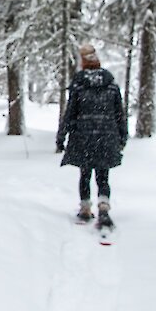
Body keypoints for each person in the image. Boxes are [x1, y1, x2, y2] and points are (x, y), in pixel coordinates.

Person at [56, 44, 127, 228]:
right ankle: (103, 206)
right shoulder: (110, 84)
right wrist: (122, 136)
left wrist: (62, 136)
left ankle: (85, 208)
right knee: (103, 176)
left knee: (85, 174)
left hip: (83, 136)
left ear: (83, 63)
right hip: (107, 136)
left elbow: (70, 113)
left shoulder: (79, 85)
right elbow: (119, 113)